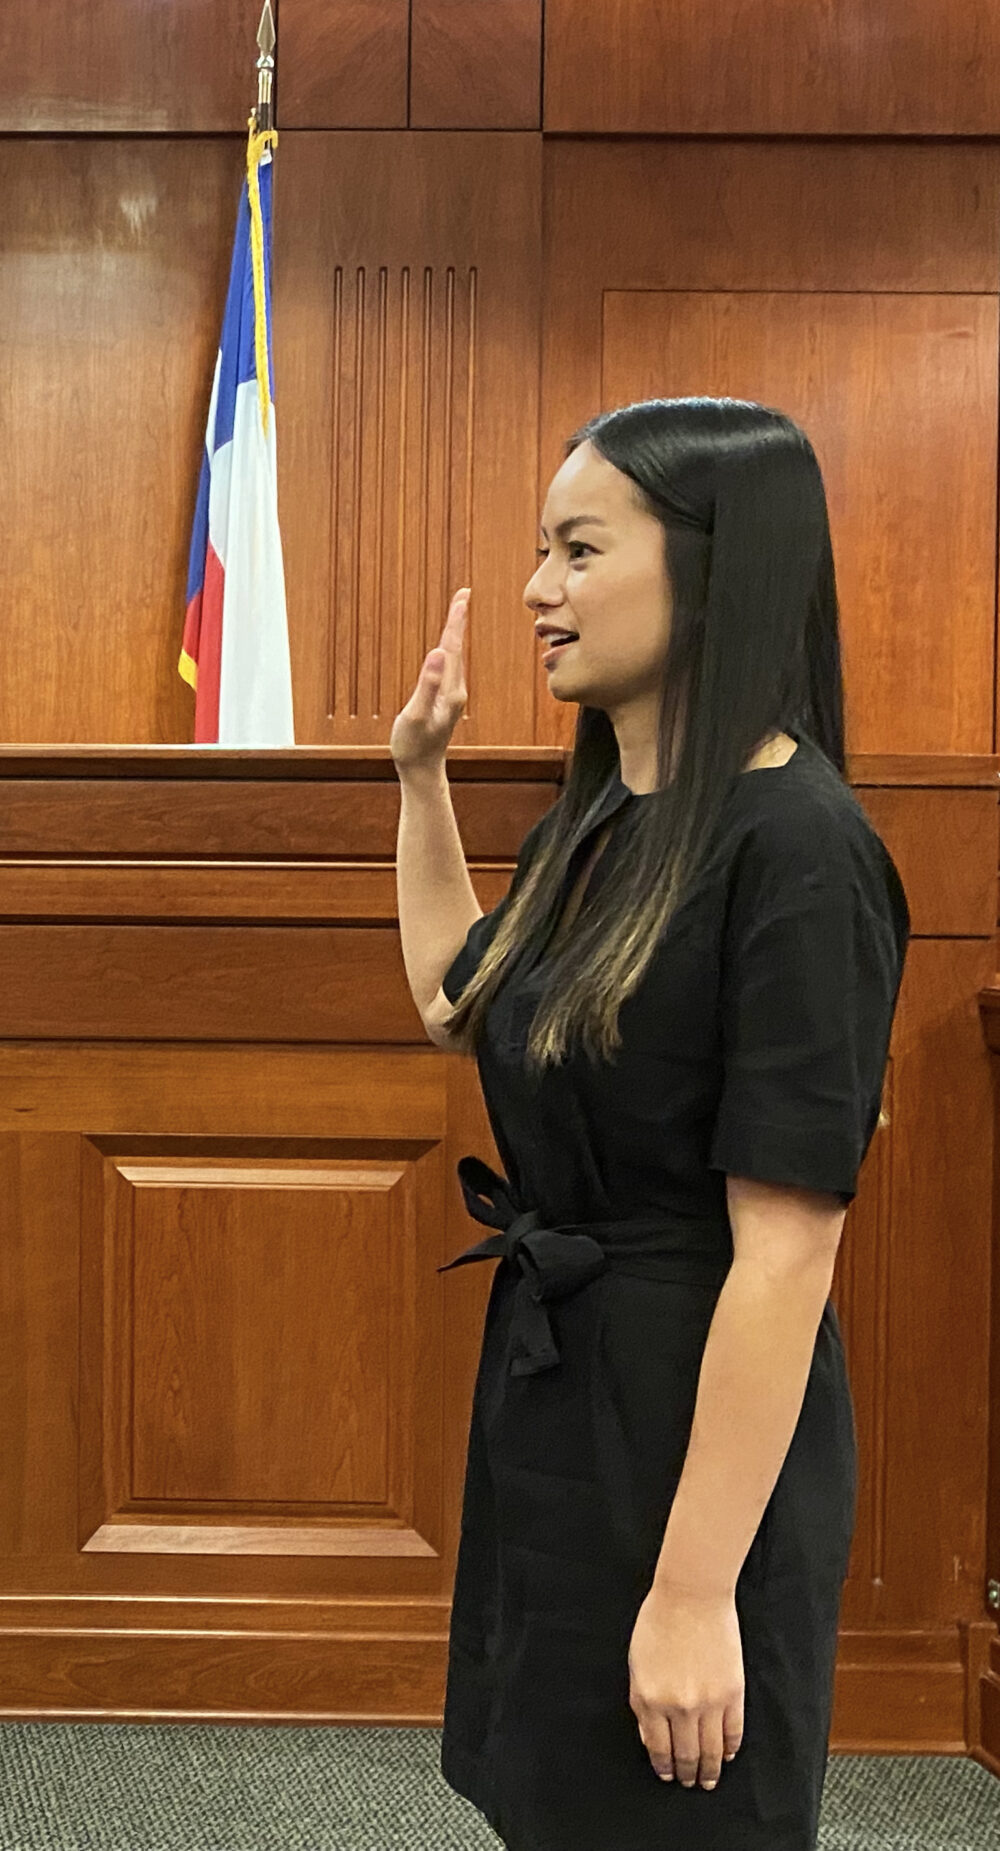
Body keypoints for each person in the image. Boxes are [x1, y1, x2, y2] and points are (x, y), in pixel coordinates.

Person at [390, 398, 906, 1850]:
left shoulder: (801, 851)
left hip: (698, 1434)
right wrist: (420, 778)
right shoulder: (606, 817)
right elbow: (455, 998)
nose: (539, 593)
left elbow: (788, 1257)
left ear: (715, 567)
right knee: (558, 1805)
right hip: (564, 1402)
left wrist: (692, 1594)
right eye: (539, 551)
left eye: (578, 550)